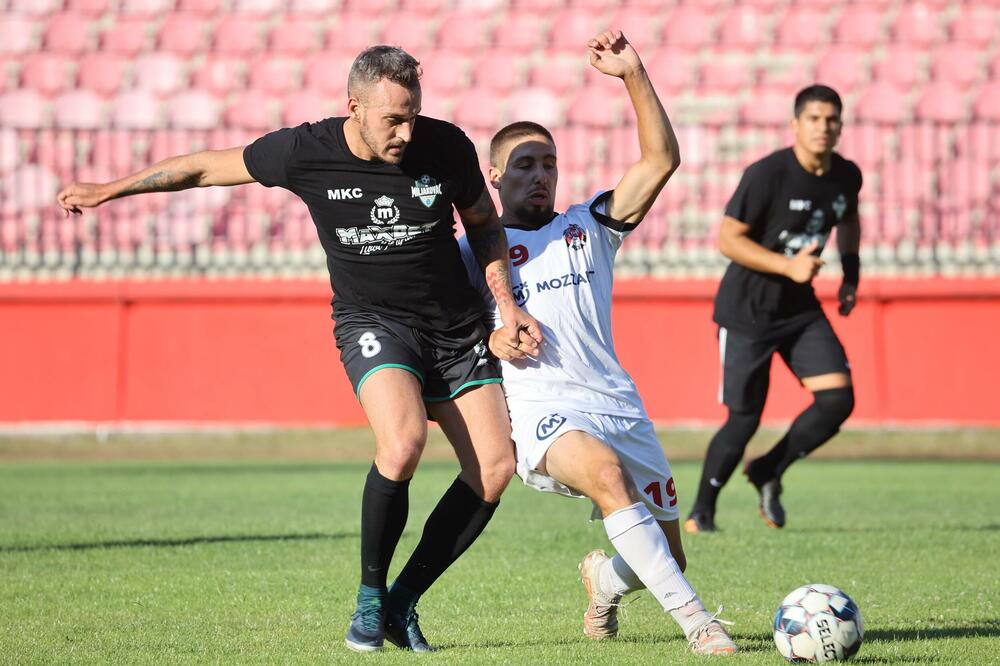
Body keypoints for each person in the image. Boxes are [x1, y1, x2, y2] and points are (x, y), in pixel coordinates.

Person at [56, 45, 542, 654]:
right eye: (392, 118)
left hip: (455, 329)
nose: (406, 130)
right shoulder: (304, 151)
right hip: (375, 322)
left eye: (413, 114)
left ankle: (401, 601)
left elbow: (483, 223)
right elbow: (205, 168)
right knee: (403, 441)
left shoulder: (445, 146)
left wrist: (507, 303)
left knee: (495, 470)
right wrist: (109, 190)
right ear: (354, 107)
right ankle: (369, 597)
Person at [459, 31, 738, 656]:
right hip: (545, 413)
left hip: (619, 403)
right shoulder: (471, 253)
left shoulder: (590, 226)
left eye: (548, 163)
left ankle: (605, 579)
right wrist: (491, 338)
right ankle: (700, 625)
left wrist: (633, 74)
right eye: (524, 164)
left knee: (669, 554)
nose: (539, 175)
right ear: (495, 175)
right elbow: (443, 331)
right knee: (608, 478)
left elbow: (661, 161)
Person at [684, 84, 862, 534]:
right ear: (796, 125)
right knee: (745, 418)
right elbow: (728, 239)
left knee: (837, 400)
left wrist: (851, 274)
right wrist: (788, 265)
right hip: (748, 312)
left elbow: (849, 220)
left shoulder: (847, 175)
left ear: (841, 126)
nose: (823, 127)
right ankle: (701, 510)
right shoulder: (768, 174)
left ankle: (769, 468)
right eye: (814, 118)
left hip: (800, 311)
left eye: (831, 119)